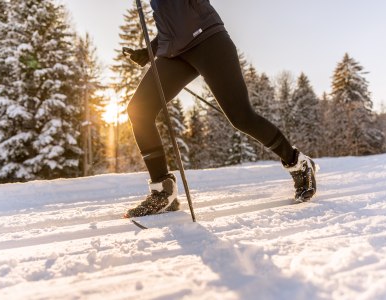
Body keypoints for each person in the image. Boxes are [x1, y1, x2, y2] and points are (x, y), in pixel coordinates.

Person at [123, 0, 317, 218]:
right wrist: (150, 49)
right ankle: (162, 191)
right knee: (139, 111)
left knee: (241, 117)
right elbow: (172, 21)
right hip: (174, 53)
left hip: (207, 39)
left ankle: (297, 162)